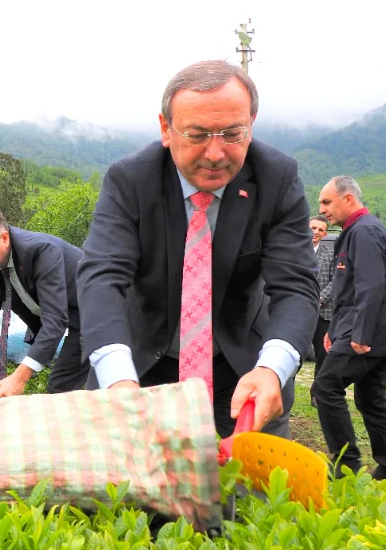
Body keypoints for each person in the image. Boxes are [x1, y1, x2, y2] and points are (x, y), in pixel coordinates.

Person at [76, 59, 319, 438]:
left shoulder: (277, 177)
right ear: (166, 129)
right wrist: (118, 379)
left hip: (243, 370)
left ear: (251, 126)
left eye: (231, 134)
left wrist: (272, 369)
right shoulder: (131, 180)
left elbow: (296, 286)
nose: (215, 153)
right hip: (141, 365)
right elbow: (102, 278)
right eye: (198, 134)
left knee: (254, 491)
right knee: (123, 490)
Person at [312, 176, 386, 486]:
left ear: (348, 199)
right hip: (364, 330)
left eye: (327, 202)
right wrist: (338, 329)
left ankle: (346, 466)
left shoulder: (365, 231)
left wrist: (359, 335)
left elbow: (370, 287)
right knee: (370, 399)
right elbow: (348, 289)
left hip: (368, 333)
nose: (322, 210)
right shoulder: (357, 231)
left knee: (326, 387)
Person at [0, 206, 88, 402]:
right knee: (62, 387)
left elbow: (55, 319)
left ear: (4, 238)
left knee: (72, 385)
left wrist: (19, 378)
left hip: (101, 310)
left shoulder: (41, 251)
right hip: (73, 316)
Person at [310, 214, 334, 407]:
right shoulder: (294, 251)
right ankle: (285, 393)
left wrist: (320, 298)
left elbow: (337, 281)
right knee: (293, 353)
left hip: (322, 311)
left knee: (323, 355)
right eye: (313, 228)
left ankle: (316, 393)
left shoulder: (329, 254)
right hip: (297, 310)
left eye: (320, 230)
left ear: (325, 234)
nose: (316, 232)